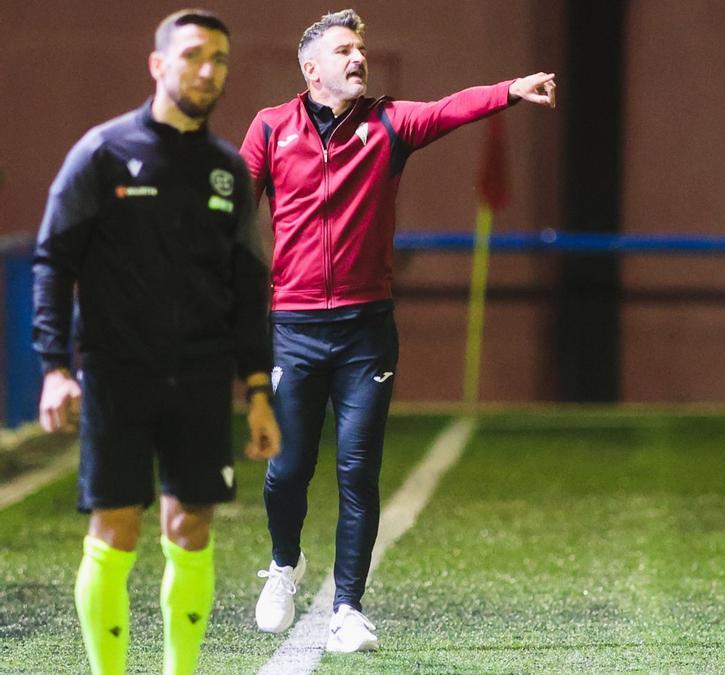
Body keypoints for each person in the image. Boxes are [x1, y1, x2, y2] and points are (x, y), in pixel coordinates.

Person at [239, 8, 556, 653]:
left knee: (358, 469)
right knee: (287, 469)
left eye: (361, 48)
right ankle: (283, 565)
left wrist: (509, 92)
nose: (359, 58)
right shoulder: (270, 129)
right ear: (311, 68)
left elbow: (450, 107)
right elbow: (224, 205)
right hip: (294, 328)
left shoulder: (388, 123)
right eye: (344, 50)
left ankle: (348, 609)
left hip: (365, 332)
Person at [32, 9, 281, 675]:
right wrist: (55, 367)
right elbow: (54, 261)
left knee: (189, 530)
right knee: (115, 531)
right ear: (158, 64)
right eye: (195, 54)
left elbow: (247, 288)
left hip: (200, 378)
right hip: (117, 375)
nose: (208, 70)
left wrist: (258, 388)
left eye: (220, 59)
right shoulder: (101, 152)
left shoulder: (229, 171)